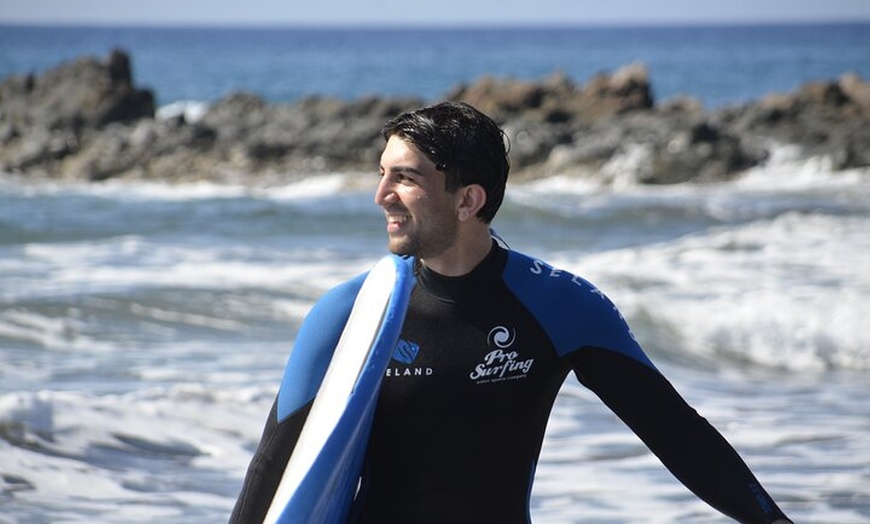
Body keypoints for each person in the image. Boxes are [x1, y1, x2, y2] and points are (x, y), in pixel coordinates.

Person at [230, 101, 793, 523]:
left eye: (404, 177)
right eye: (381, 173)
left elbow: (677, 434)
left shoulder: (561, 305)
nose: (381, 195)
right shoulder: (348, 314)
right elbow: (272, 469)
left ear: (468, 200)